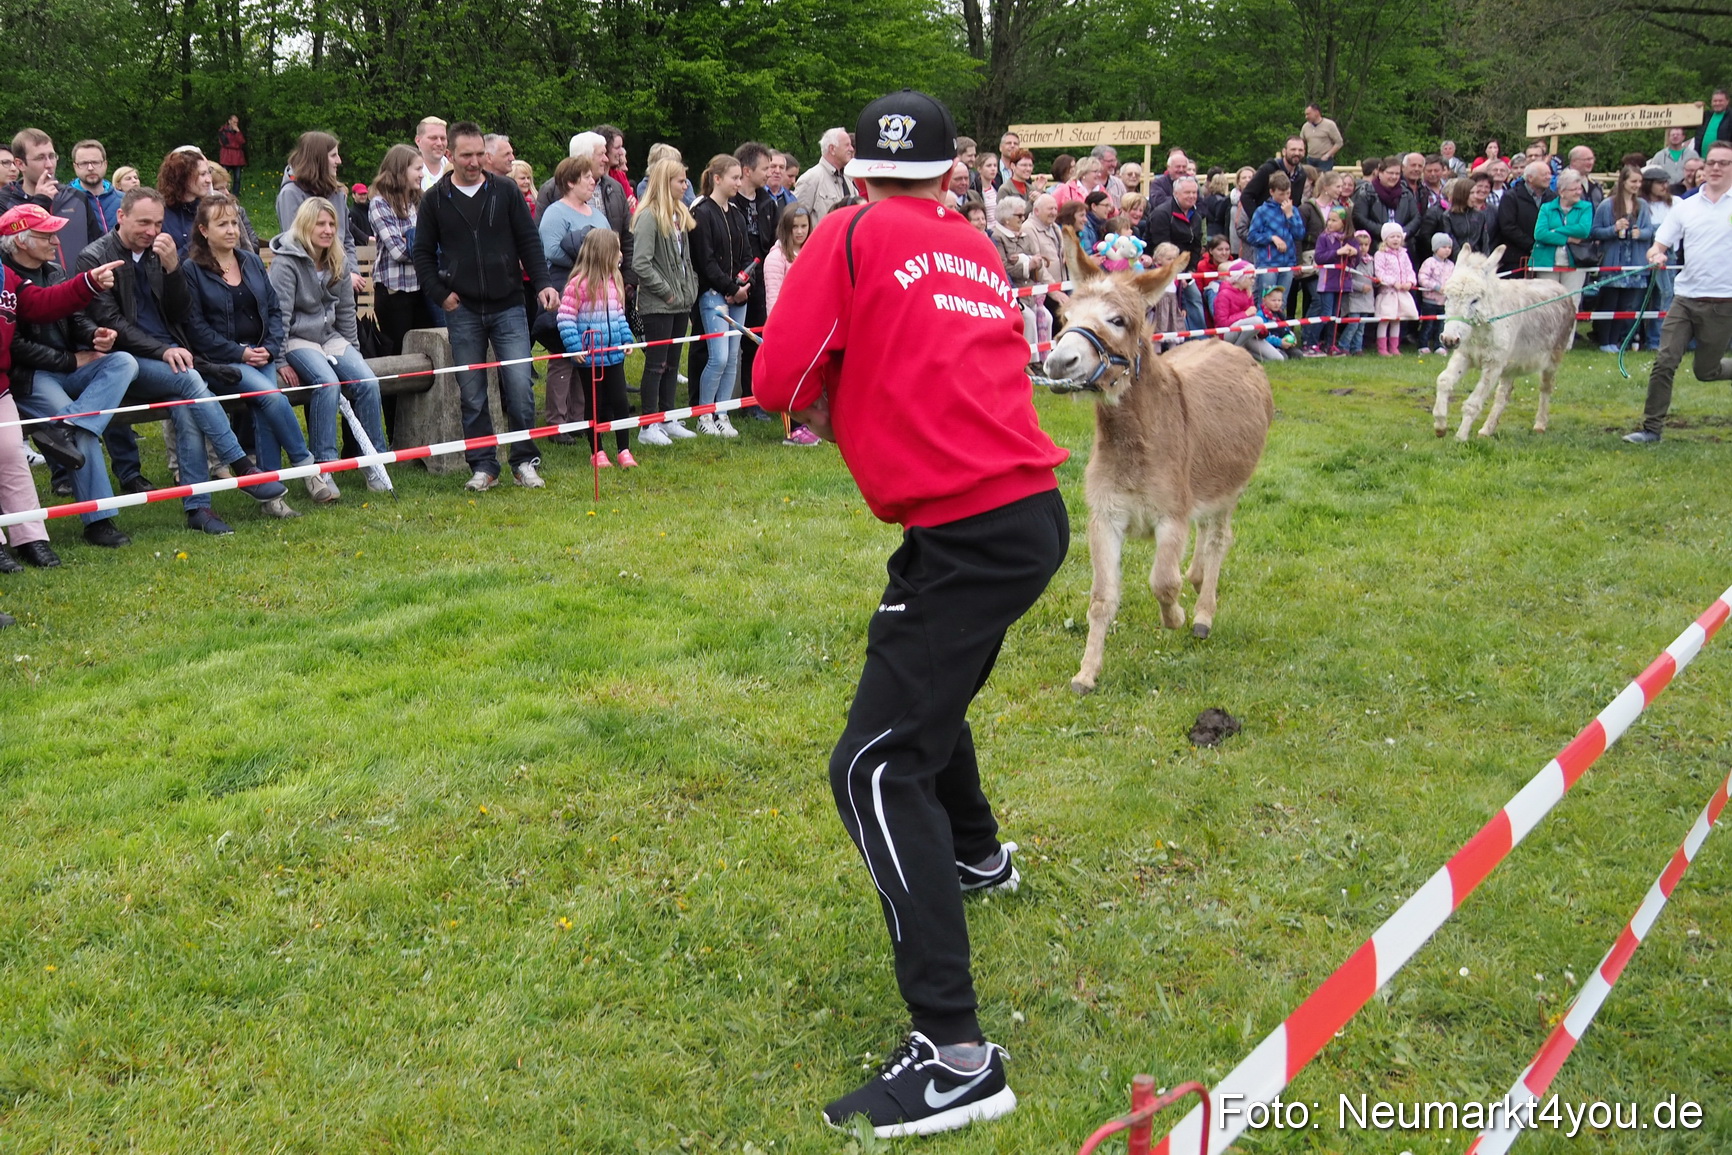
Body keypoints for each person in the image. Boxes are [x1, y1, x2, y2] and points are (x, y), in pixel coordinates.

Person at [754, 87, 1067, 1140]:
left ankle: (958, 1056)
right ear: (948, 174)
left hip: (971, 526)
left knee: (874, 764)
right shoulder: (974, 245)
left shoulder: (843, 229)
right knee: (929, 688)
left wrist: (837, 388)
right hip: (1014, 515)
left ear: (855, 171)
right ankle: (976, 856)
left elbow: (775, 379)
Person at [77, 187, 290, 534]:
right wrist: (162, 351)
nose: (151, 231)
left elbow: (180, 313)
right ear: (121, 216)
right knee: (190, 381)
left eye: (158, 223)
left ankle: (198, 509)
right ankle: (241, 466)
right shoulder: (95, 257)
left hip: (173, 358)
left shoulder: (159, 253)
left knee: (186, 405)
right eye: (143, 222)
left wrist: (174, 270)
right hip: (125, 361)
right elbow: (111, 322)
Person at [412, 122, 556, 489]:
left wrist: (542, 284)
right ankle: (484, 465)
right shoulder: (435, 200)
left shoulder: (505, 191)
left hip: (509, 305)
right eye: (466, 155)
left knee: (521, 388)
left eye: (479, 154)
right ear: (450, 156)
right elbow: (422, 254)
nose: (474, 162)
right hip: (464, 311)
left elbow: (529, 241)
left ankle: (524, 460)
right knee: (472, 393)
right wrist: (440, 293)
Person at [0, 204, 138, 547]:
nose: (56, 238)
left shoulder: (55, 270)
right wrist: (70, 361)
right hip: (33, 377)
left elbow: (71, 315)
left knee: (123, 363)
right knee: (83, 436)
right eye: (46, 233)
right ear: (21, 242)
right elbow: (15, 347)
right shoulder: (7, 276)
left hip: (69, 365)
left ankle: (72, 424)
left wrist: (94, 335)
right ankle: (98, 521)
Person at [181, 193, 318, 511]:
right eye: (222, 224)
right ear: (203, 230)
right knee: (272, 398)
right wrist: (240, 354)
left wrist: (269, 349)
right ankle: (307, 465)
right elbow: (196, 329)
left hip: (261, 354)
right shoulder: (192, 271)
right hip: (222, 362)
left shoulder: (252, 261)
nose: (231, 229)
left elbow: (274, 310)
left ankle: (272, 496)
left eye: (234, 222)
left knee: (263, 409)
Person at [268, 197, 389, 497]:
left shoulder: (337, 258)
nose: (327, 230)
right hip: (298, 338)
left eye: (332, 224)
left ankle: (375, 463)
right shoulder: (286, 262)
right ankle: (323, 468)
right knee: (327, 383)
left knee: (367, 381)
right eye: (320, 224)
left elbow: (347, 310)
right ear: (306, 225)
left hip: (331, 336)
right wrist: (280, 358)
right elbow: (279, 315)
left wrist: (353, 349)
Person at [1625, 140, 1732, 443]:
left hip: (1724, 303)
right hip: (1685, 298)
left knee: (1706, 370)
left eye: (1723, 163)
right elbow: (1658, 245)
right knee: (1665, 361)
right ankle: (1651, 429)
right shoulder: (1685, 206)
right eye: (1710, 162)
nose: (1714, 168)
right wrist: (1656, 255)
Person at [630, 157, 701, 448]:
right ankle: (649, 424)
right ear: (665, 182)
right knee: (656, 364)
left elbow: (686, 261)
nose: (685, 186)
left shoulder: (679, 214)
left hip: (681, 302)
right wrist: (667, 291)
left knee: (673, 363)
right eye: (680, 181)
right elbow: (641, 263)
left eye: (685, 181)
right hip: (659, 304)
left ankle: (668, 417)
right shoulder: (648, 216)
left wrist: (689, 289)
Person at [538, 155, 610, 442]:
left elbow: (609, 243)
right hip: (566, 289)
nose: (593, 181)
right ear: (570, 182)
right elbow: (552, 249)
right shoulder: (555, 213)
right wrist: (588, 258)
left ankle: (580, 418)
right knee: (564, 356)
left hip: (595, 293)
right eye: (586, 177)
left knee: (587, 353)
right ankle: (557, 422)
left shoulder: (597, 214)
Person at [556, 229, 635, 468]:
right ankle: (597, 451)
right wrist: (575, 346)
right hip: (589, 358)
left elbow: (619, 315)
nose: (620, 255)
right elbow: (565, 317)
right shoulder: (577, 285)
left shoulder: (614, 282)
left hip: (614, 355)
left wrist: (627, 339)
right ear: (604, 253)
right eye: (616, 250)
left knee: (620, 402)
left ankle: (624, 449)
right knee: (595, 405)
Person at [690, 154, 753, 436]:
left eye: (740, 178)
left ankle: (722, 413)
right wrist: (729, 288)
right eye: (734, 178)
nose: (739, 183)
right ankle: (704, 414)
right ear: (717, 179)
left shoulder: (737, 213)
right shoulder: (702, 213)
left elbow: (748, 256)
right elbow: (705, 261)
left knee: (733, 357)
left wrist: (743, 286)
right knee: (719, 357)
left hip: (738, 295)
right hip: (714, 295)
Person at [276, 132, 363, 297]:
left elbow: (347, 239)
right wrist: (334, 275)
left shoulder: (338, 194)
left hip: (344, 282)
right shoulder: (291, 194)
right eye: (333, 155)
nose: (339, 161)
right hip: (310, 288)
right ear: (318, 158)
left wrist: (352, 272)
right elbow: (294, 243)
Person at [764, 204, 820, 446]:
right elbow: (773, 299)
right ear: (785, 228)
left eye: (803, 226)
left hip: (811, 327)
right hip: (788, 329)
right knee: (790, 381)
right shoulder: (776, 258)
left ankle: (809, 423)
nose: (799, 232)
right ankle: (793, 430)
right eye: (794, 227)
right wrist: (777, 332)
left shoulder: (813, 251)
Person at [368, 144, 432, 358]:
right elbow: (398, 251)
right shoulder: (380, 203)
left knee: (426, 352)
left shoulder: (420, 201)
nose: (422, 174)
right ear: (400, 170)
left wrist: (413, 239)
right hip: (394, 292)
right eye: (418, 169)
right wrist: (421, 243)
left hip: (422, 288)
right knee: (399, 354)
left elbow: (436, 242)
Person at [732, 141, 780, 418]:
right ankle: (722, 404)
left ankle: (753, 400)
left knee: (757, 339)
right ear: (747, 171)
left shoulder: (767, 202)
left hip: (763, 280)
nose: (770, 173)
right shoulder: (732, 201)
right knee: (727, 345)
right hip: (736, 280)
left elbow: (773, 240)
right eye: (765, 168)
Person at [1590, 165, 1654, 352]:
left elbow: (1650, 231)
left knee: (1625, 305)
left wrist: (1640, 233)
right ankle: (1604, 341)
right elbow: (1594, 232)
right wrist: (1613, 229)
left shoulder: (1642, 205)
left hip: (1634, 262)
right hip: (1613, 262)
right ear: (1623, 181)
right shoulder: (1607, 205)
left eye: (1639, 181)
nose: (1637, 185)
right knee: (1609, 302)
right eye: (1633, 181)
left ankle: (1616, 341)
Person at [1247, 171, 1306, 317]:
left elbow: (1300, 234)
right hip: (1268, 263)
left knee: (1281, 301)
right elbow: (1252, 236)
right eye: (1281, 194)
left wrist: (1290, 215)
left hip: (1287, 263)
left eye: (1288, 193)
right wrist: (1271, 237)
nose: (1285, 198)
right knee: (1266, 300)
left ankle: (1278, 332)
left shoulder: (1293, 210)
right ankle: (1263, 332)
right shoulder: (1262, 211)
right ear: (1271, 192)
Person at [1531, 169, 1593, 293]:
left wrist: (1556, 230)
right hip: (1547, 261)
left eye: (1579, 188)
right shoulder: (1547, 208)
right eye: (1573, 189)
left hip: (1574, 261)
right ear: (1562, 192)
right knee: (1547, 301)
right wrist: (1567, 239)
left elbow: (1583, 230)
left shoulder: (1586, 207)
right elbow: (1540, 234)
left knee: (1572, 300)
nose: (1578, 192)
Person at [1309, 208, 1356, 355]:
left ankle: (1331, 344)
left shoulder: (1350, 239)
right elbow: (1319, 257)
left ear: (1344, 223)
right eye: (1329, 219)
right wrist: (1336, 252)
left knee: (1336, 316)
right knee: (1326, 313)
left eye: (1334, 220)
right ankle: (1311, 342)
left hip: (1342, 283)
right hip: (1327, 282)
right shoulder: (1324, 237)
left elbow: (1356, 261)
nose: (1330, 223)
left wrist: (1355, 253)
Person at [1639, 167, 1676, 351]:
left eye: (1666, 182)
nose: (1665, 186)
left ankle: (1658, 340)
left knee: (1665, 297)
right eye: (1660, 183)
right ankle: (1644, 339)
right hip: (1642, 255)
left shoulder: (1676, 202)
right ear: (1648, 184)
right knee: (1643, 299)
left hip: (1669, 256)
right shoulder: (1641, 204)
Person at [1494, 161, 1551, 276]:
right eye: (1544, 174)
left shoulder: (1553, 197)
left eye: (1549, 174)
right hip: (1516, 259)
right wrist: (1532, 245)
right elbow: (1508, 227)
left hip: (1545, 257)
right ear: (1530, 178)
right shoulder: (1511, 197)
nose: (1548, 177)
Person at [1372, 221, 1417, 356]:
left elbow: (1410, 270)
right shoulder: (1380, 254)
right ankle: (1382, 348)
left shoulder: (1404, 254)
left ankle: (1394, 347)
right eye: (1392, 237)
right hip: (1388, 293)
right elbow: (1379, 273)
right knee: (1385, 319)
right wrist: (1393, 282)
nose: (1396, 239)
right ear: (1385, 239)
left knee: (1397, 319)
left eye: (1398, 236)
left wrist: (1410, 282)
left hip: (1401, 293)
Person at [157, 149, 212, 255]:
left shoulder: (208, 210)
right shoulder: (162, 214)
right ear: (183, 177)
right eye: (202, 174)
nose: (208, 180)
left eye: (209, 172)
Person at [794, 128, 855, 222]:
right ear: (832, 149)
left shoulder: (848, 179)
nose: (851, 149)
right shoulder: (810, 179)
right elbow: (795, 221)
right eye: (847, 145)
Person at [1243, 137, 1309, 213]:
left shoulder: (1301, 175)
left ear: (1304, 152)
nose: (1297, 153)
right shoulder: (1268, 169)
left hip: (1287, 221)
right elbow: (1246, 196)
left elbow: (1296, 203)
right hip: (1266, 220)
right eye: (1293, 149)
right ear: (1284, 152)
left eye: (1300, 150)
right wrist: (1258, 218)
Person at [1416, 232, 1455, 355]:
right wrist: (1436, 287)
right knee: (1428, 324)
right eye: (1444, 247)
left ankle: (1439, 345)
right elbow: (1422, 278)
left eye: (1449, 247)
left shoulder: (1451, 265)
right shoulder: (1429, 262)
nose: (1447, 250)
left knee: (1441, 325)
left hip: (1445, 301)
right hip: (1430, 300)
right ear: (1435, 248)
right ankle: (1423, 344)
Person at [1442, 176, 1493, 255]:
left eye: (1476, 192)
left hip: (1476, 259)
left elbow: (1484, 242)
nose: (1475, 196)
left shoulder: (1480, 215)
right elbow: (1451, 240)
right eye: (1472, 193)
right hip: (1458, 261)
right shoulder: (1448, 216)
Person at [1300, 104, 1343, 171]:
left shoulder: (1329, 125)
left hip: (1325, 160)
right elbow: (1301, 142)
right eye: (1306, 114)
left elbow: (1339, 142)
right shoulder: (1305, 127)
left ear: (1316, 112)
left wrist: (1327, 155)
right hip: (1310, 159)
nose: (1306, 117)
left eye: (1308, 114)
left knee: (1323, 180)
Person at [1692, 89, 1731, 156]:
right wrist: (1695, 108)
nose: (1717, 103)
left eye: (1720, 101)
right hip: (1701, 159)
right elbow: (1686, 122)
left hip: (1723, 159)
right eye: (1715, 101)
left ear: (1727, 102)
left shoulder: (1730, 116)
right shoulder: (1705, 115)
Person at [415, 117, 449, 189]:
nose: (439, 143)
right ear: (418, 141)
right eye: (433, 138)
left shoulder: (455, 171)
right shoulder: (408, 173)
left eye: (443, 138)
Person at [217, 115, 246, 186]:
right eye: (234, 122)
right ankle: (224, 192)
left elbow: (242, 142)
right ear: (229, 121)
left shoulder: (238, 132)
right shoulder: (223, 130)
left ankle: (235, 194)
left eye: (237, 122)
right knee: (224, 177)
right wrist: (236, 145)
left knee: (237, 178)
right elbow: (225, 143)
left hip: (237, 158)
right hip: (226, 157)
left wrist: (238, 132)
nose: (235, 124)